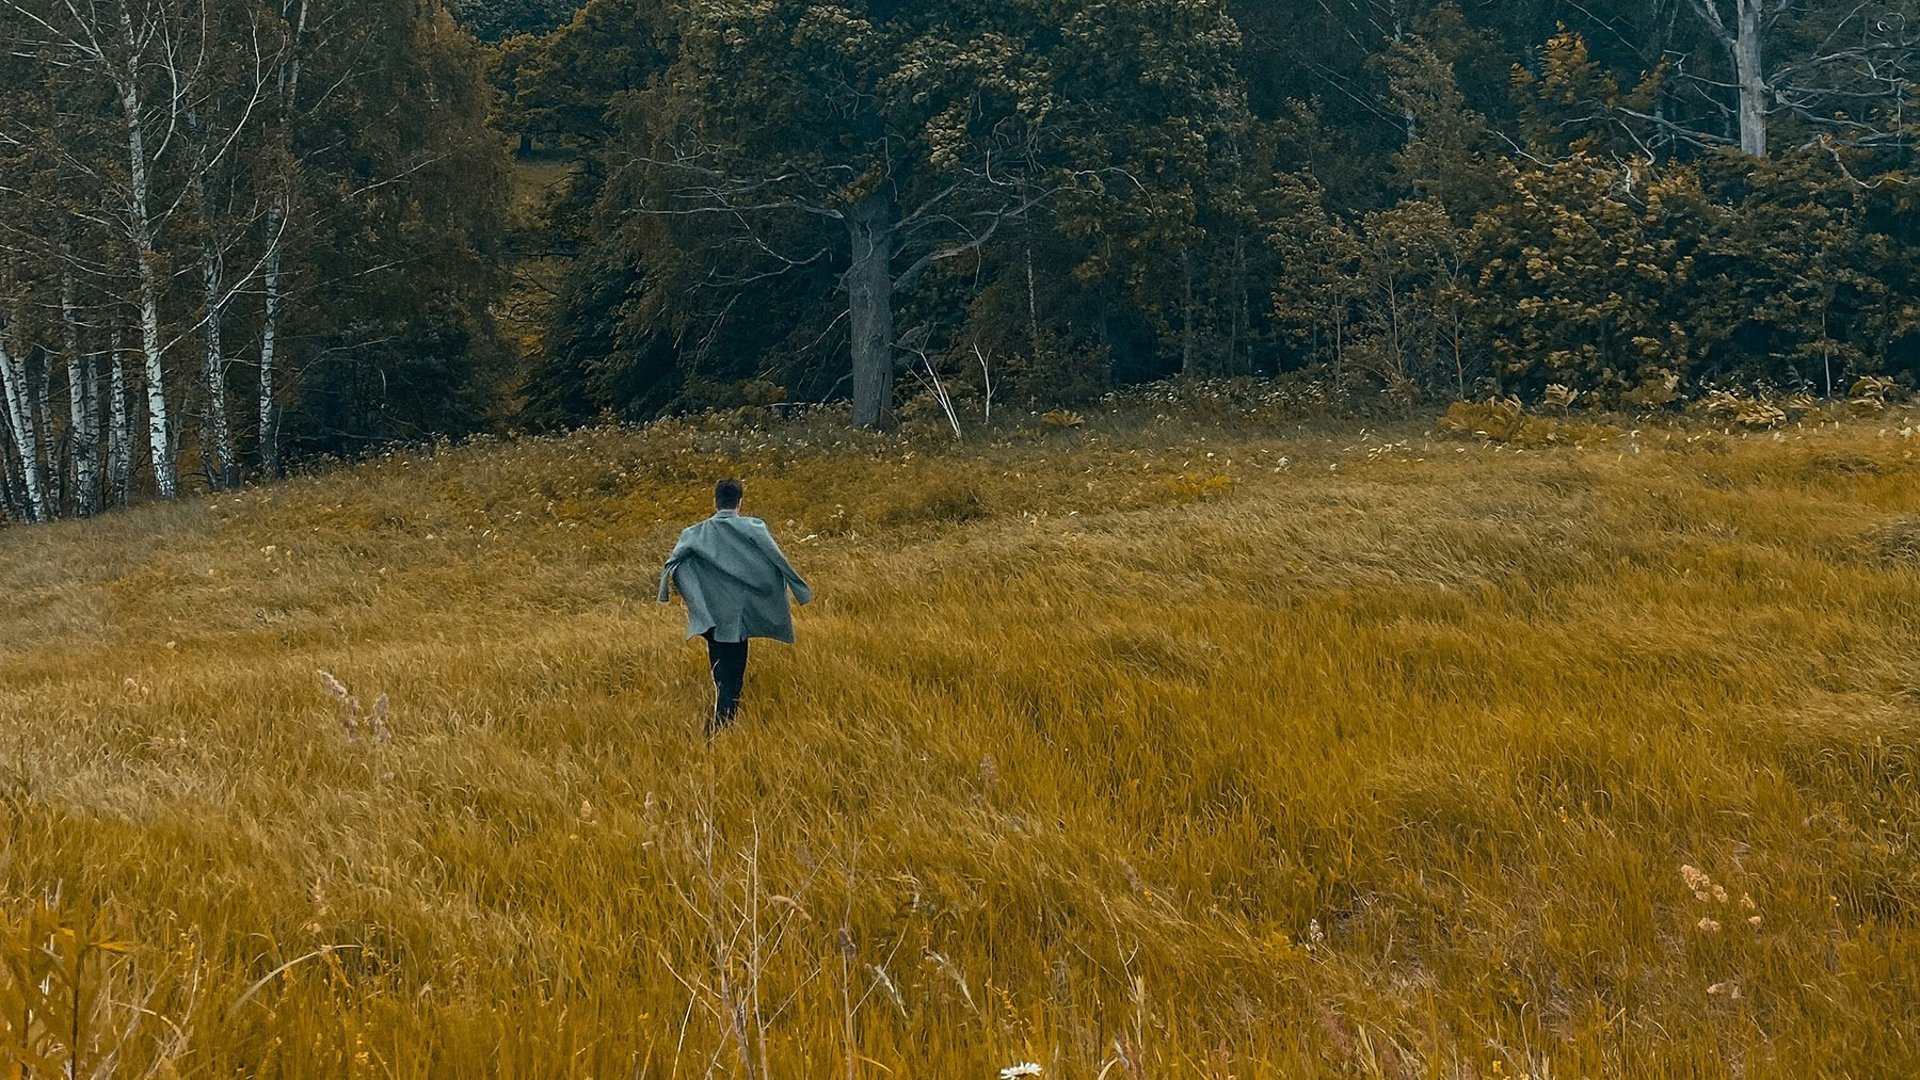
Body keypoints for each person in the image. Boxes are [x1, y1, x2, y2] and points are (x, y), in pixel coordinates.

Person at [658, 478, 812, 733]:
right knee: (733, 675)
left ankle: (721, 721)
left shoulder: (693, 533)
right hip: (739, 617)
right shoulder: (753, 528)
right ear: (740, 502)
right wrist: (799, 589)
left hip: (709, 617)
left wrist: (679, 593)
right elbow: (777, 559)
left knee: (720, 670)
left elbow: (671, 566)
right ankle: (721, 729)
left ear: (715, 501)